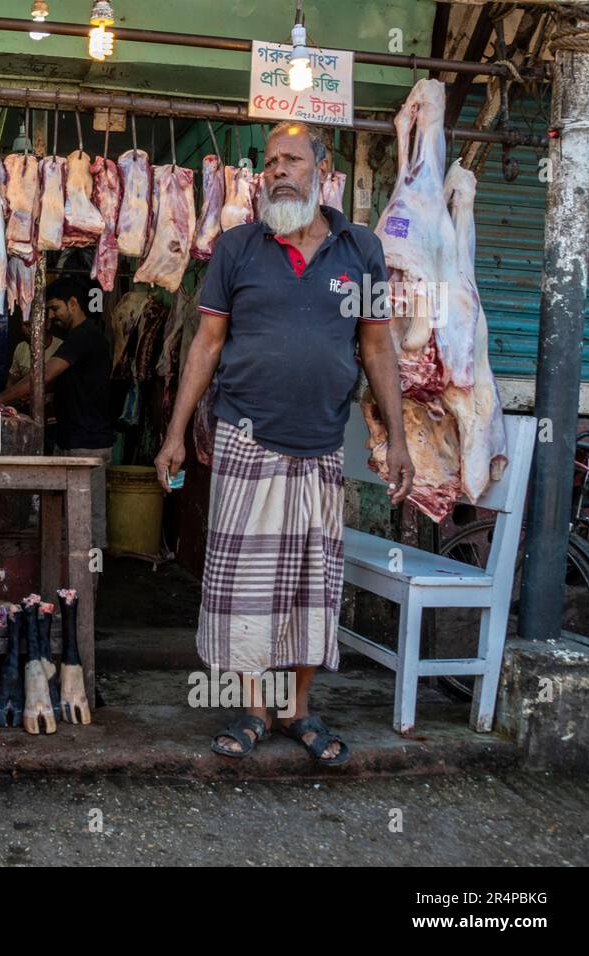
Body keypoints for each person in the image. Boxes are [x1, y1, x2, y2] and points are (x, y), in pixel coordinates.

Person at [155, 121, 415, 766]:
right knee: (246, 587)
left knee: (309, 586)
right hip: (247, 438)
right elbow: (206, 345)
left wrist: (400, 439)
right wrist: (175, 434)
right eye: (269, 161)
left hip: (323, 441)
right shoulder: (238, 247)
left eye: (291, 159)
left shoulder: (362, 250)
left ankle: (298, 711)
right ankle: (252, 708)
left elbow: (377, 345)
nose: (277, 170)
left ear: (321, 171)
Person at [0, 275, 115, 550]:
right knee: (70, 519)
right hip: (71, 439)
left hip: (88, 444)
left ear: (73, 304)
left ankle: (90, 587)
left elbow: (44, 375)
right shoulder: (76, 337)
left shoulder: (86, 336)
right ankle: (72, 583)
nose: (51, 316)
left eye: (55, 308)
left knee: (89, 522)